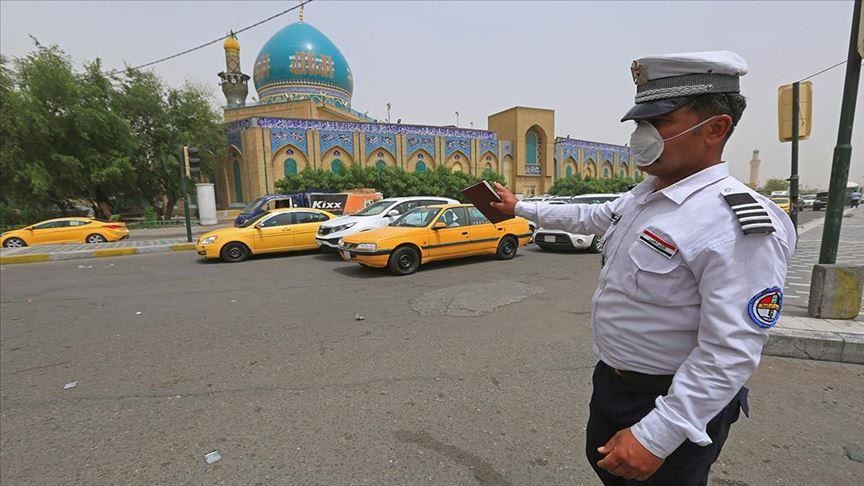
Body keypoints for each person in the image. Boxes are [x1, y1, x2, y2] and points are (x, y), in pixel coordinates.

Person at [491, 51, 796, 484]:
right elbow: (589, 217)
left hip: (670, 401)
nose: (641, 135)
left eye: (660, 122)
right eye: (638, 123)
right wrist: (519, 207)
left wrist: (657, 436)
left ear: (715, 129)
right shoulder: (645, 195)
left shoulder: (734, 224)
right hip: (614, 385)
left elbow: (730, 351)